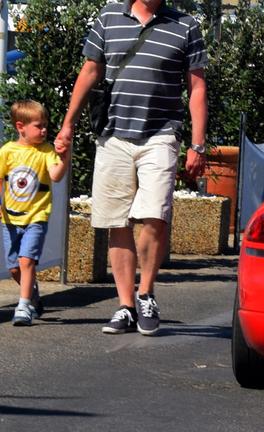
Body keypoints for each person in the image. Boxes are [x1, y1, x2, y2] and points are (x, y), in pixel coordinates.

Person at [54, 0, 208, 336]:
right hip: (113, 135)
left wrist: (197, 145)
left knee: (155, 215)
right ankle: (125, 306)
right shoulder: (109, 17)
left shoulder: (185, 25)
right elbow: (90, 71)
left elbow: (196, 87)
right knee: (116, 220)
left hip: (162, 133)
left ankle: (146, 293)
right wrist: (68, 125)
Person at [1, 100, 70, 326]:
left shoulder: (46, 150)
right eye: (38, 126)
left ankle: (23, 307)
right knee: (14, 268)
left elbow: (56, 175)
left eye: (45, 126)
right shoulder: (7, 151)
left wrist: (64, 157)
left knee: (26, 260)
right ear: (21, 126)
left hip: (36, 217)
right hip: (10, 219)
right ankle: (32, 294)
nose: (44, 130)